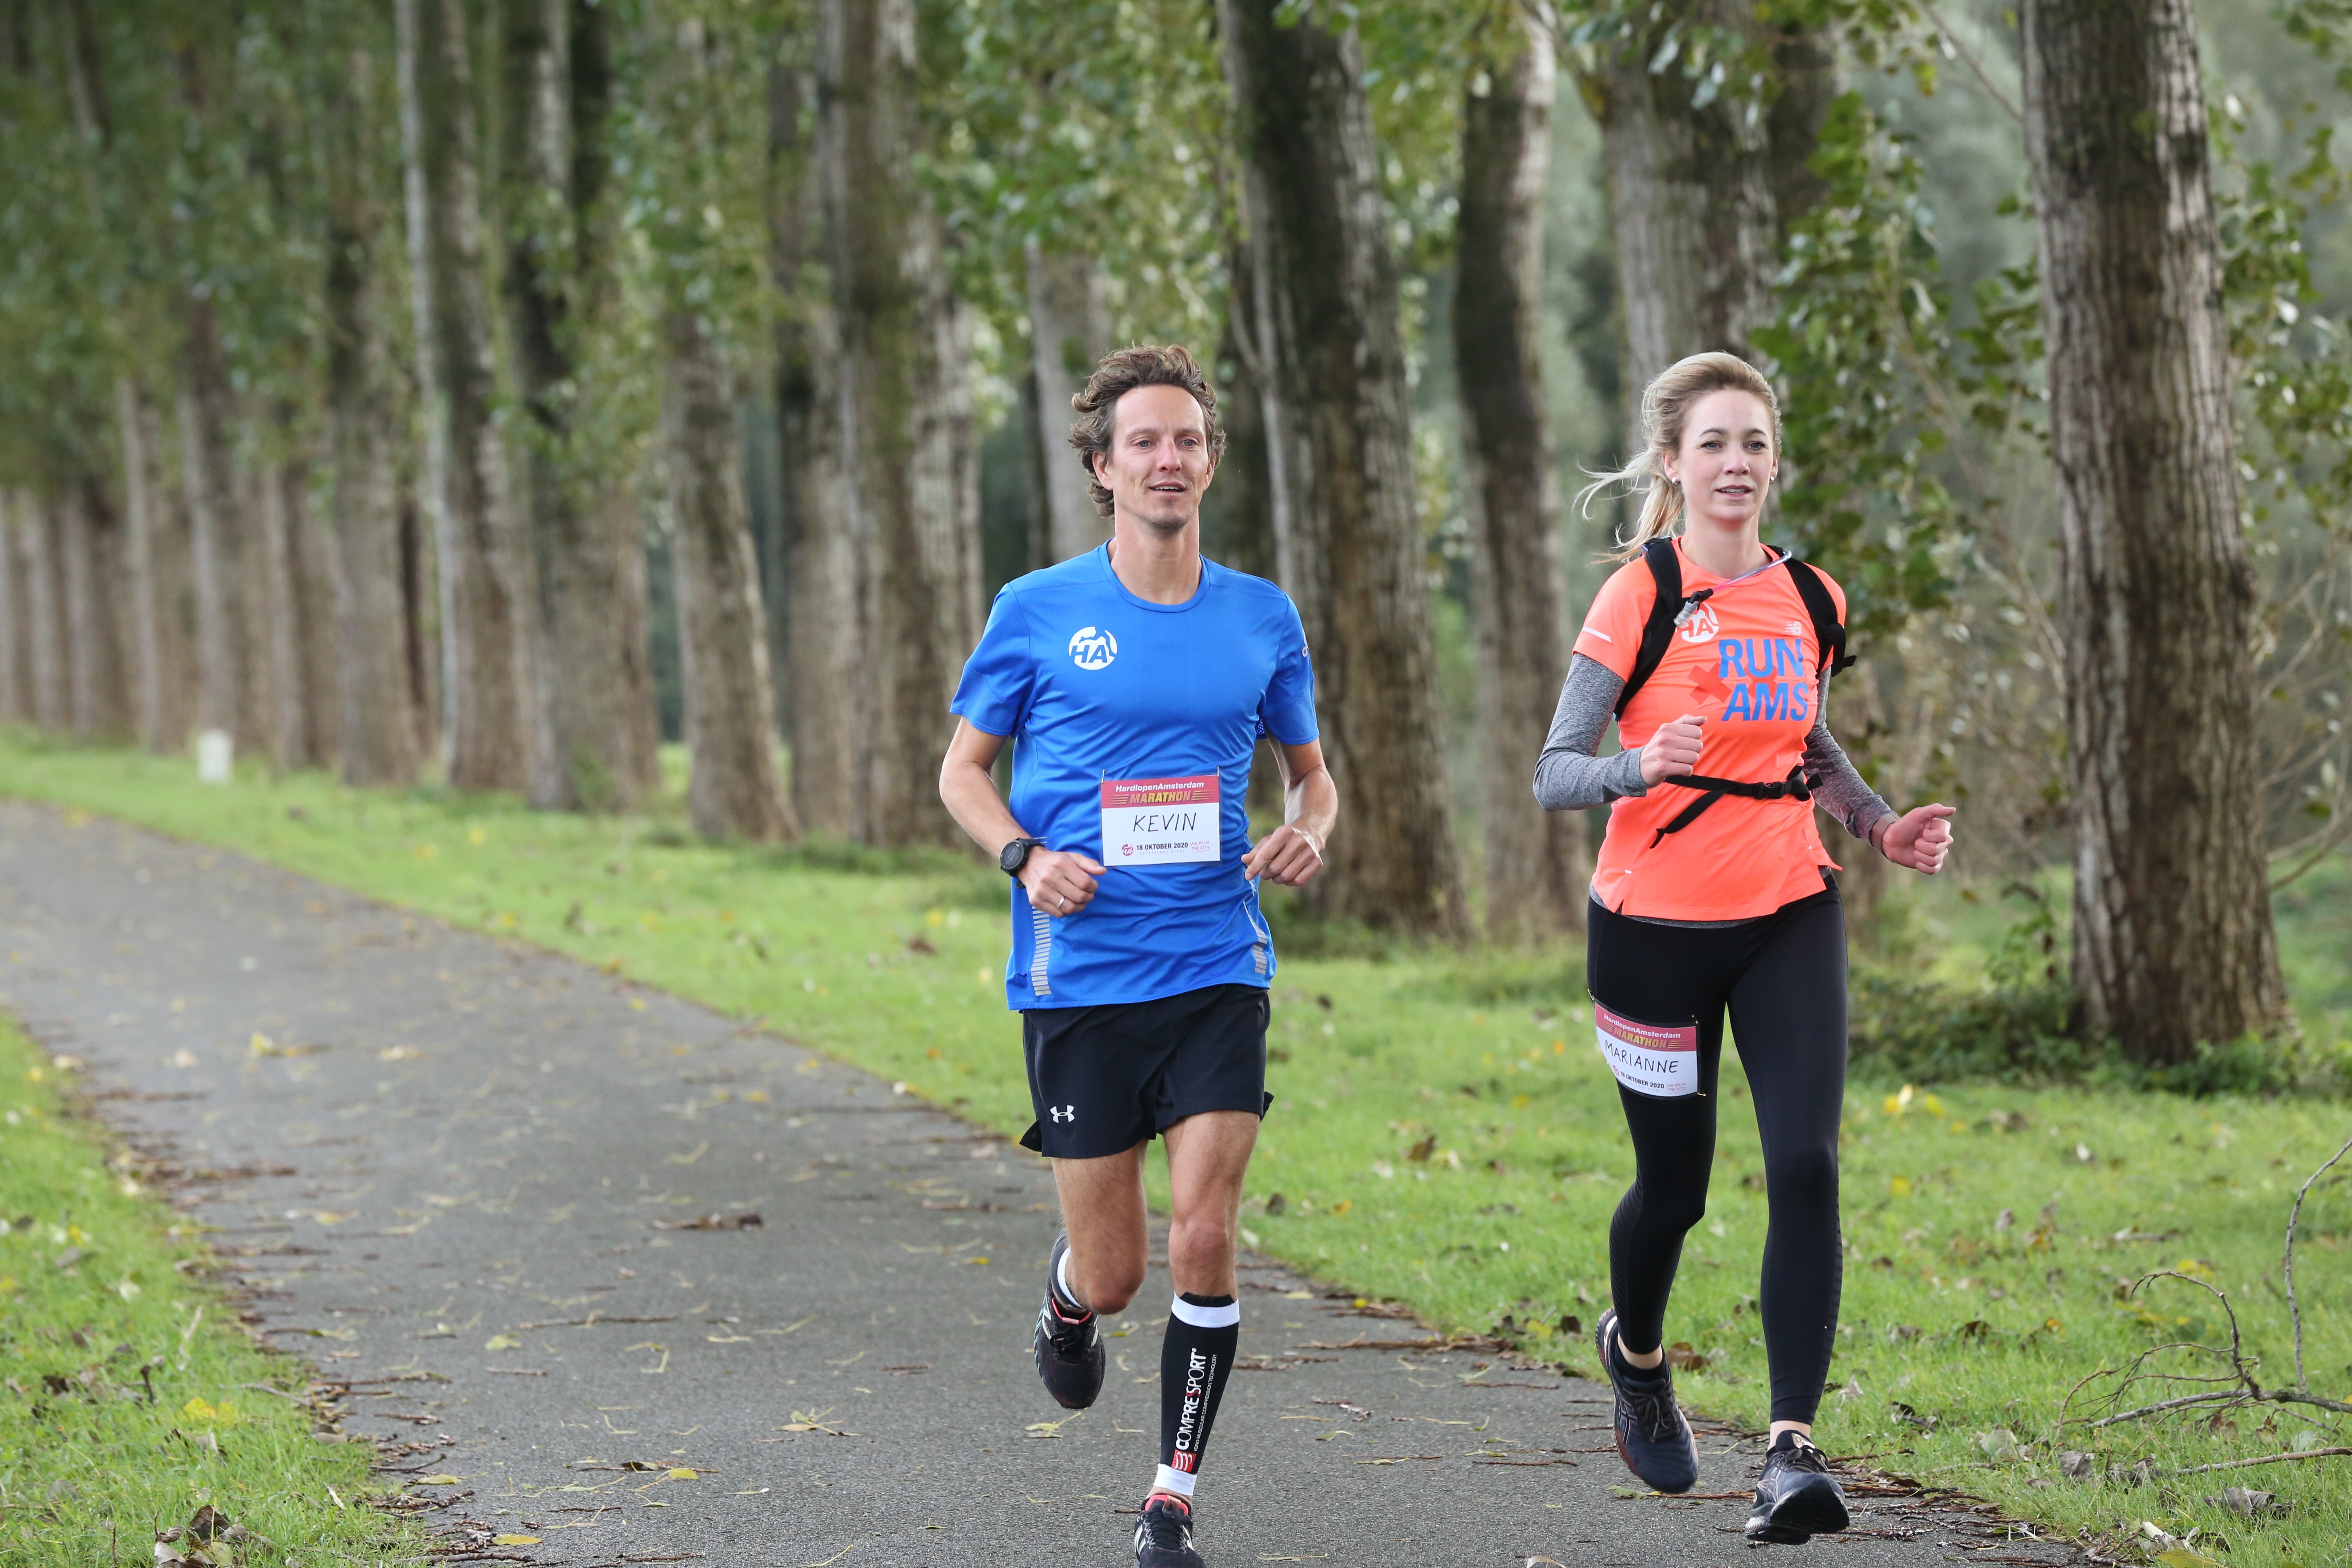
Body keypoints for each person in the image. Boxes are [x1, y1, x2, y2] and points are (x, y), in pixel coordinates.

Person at [1534, 352, 1955, 1546]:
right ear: (1673, 462)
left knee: (1808, 1164)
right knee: (1674, 1191)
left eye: (1755, 443)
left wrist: (1879, 825)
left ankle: (1788, 1453)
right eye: (1713, 443)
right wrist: (1638, 763)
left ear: (1775, 462)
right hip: (1650, 929)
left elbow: (1804, 741)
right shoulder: (1642, 593)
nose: (1736, 464)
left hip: (1788, 910)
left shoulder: (1812, 596)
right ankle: (1638, 1349)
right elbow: (1554, 769)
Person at [938, 343, 1336, 1568]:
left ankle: (1172, 1494)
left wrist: (1306, 836)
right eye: (1144, 443)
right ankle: (1068, 1304)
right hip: (1082, 981)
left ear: (1210, 462)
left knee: (1205, 1237)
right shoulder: (1037, 610)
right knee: (1116, 1274)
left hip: (1219, 963)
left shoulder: (1262, 616)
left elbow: (1313, 781)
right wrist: (1022, 858)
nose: (1169, 459)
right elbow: (962, 773)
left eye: (1188, 440)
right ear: (1105, 470)